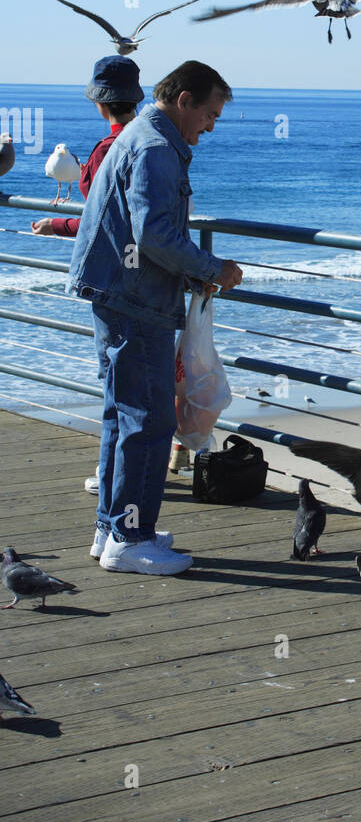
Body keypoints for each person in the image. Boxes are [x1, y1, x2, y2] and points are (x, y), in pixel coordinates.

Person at [67, 60, 243, 575]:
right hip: (135, 298)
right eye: (209, 113)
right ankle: (130, 538)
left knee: (121, 413)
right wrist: (213, 268)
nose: (210, 125)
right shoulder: (156, 148)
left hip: (118, 291)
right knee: (150, 418)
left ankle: (111, 526)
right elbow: (155, 235)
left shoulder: (140, 136)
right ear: (184, 100)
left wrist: (192, 274)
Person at [31, 56, 144, 240]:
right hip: (146, 254)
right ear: (135, 100)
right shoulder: (151, 137)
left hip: (117, 255)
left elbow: (103, 218)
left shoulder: (109, 148)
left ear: (100, 103)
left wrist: (55, 225)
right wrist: (90, 172)